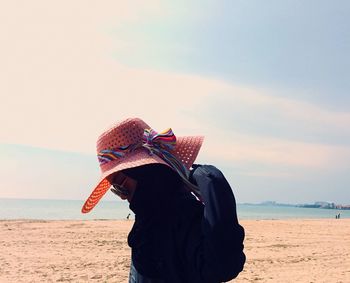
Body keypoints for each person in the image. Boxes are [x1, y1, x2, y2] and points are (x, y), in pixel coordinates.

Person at [82, 118, 245, 282]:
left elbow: (222, 265)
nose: (124, 197)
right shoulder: (148, 218)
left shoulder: (183, 218)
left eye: (122, 186)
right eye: (117, 190)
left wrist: (207, 178)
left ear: (144, 172)